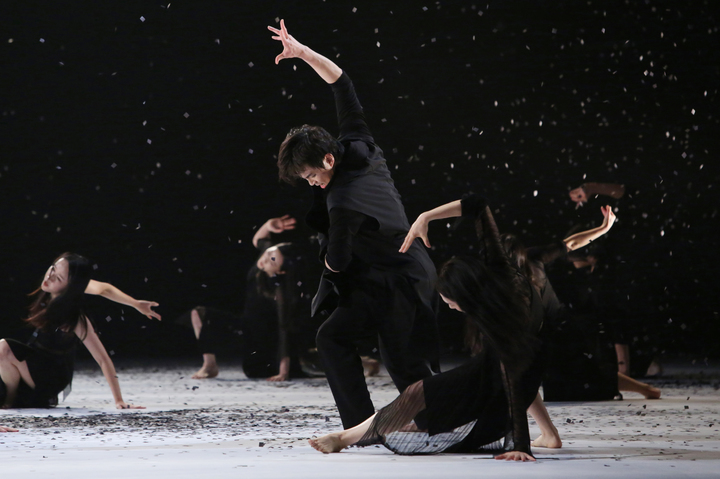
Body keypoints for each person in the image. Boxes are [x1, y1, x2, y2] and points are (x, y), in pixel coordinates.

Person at [269, 20, 439, 429]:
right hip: (386, 273)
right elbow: (342, 85)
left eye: (311, 176)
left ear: (327, 160)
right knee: (334, 337)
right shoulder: (357, 144)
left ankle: (446, 415)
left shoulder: (343, 200)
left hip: (399, 275)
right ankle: (361, 426)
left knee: (403, 360)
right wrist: (304, 53)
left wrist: (326, 269)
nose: (312, 184)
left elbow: (339, 259)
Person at [311, 195, 552, 461]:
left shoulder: (506, 319)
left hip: (516, 365)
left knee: (418, 394)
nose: (450, 308)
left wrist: (520, 444)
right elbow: (479, 206)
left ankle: (344, 438)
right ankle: (550, 434)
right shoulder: (495, 268)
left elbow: (514, 379)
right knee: (425, 400)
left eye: (451, 303)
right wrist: (425, 217)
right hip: (520, 357)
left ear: (467, 295)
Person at [502, 206, 661, 401]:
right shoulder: (499, 276)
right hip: (543, 333)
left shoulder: (532, 257)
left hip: (561, 329)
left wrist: (603, 229)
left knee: (583, 379)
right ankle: (643, 389)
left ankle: (644, 389)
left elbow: (571, 243)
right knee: (568, 385)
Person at [0, 252, 160, 409]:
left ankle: (11, 399)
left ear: (70, 286)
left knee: (3, 347)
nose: (49, 276)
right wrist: (136, 304)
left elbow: (102, 358)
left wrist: (119, 400)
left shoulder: (72, 316)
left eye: (58, 277)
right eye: (53, 268)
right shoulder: (61, 288)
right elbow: (104, 289)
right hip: (35, 362)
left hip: (49, 376)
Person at [185, 215, 326, 381]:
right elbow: (259, 240)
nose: (264, 259)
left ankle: (355, 362)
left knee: (301, 360)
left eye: (271, 262)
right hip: (245, 326)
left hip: (263, 345)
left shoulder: (281, 290)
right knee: (199, 314)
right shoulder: (271, 252)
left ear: (280, 272)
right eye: (267, 254)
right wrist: (268, 225)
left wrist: (283, 372)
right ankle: (209, 366)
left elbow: (284, 330)